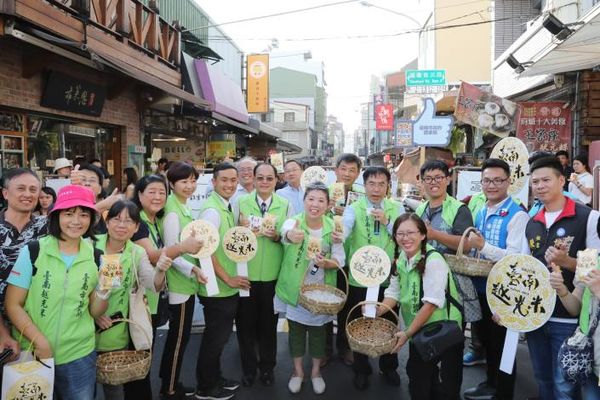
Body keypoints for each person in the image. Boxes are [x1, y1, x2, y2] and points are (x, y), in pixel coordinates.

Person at [5, 185, 110, 400]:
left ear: (91, 219)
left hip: (79, 355)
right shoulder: (34, 250)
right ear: (56, 216)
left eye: (83, 214)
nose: (76, 221)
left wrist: (104, 290)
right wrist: (40, 342)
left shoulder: (96, 256)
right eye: (68, 213)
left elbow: (95, 311)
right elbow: (13, 304)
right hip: (32, 352)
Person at [523, 156, 600, 399]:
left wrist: (568, 262)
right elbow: (524, 269)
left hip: (570, 318)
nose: (540, 186)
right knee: (543, 378)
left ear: (562, 180)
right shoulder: (532, 222)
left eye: (546, 179)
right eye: (535, 181)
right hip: (536, 316)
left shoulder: (587, 217)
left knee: (565, 385)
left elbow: (595, 269)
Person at [128, 175, 203, 399]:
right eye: (151, 192)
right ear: (139, 194)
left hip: (152, 296)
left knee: (146, 353)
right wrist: (182, 247)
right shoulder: (137, 220)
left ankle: (164, 386)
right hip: (136, 300)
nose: (158, 197)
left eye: (161, 192)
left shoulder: (153, 220)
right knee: (139, 358)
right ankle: (165, 389)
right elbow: (151, 256)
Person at [462, 159, 530, 400]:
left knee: (502, 345)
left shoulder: (517, 214)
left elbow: (516, 257)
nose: (492, 185)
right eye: (487, 180)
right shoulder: (482, 210)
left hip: (504, 291)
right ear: (481, 182)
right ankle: (490, 383)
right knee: (488, 341)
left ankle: (502, 392)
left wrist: (484, 246)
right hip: (482, 286)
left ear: (508, 182)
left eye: (498, 180)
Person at [381, 213, 463, 400]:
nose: (405, 238)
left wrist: (407, 334)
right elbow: (393, 293)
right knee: (419, 375)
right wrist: (377, 310)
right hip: (419, 329)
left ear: (423, 235)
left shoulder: (434, 261)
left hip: (443, 329)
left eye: (411, 232)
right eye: (400, 234)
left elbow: (431, 305)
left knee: (446, 383)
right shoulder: (401, 257)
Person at [94, 200, 170, 399]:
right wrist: (94, 313)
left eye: (128, 221)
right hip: (83, 328)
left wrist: (160, 270)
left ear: (136, 227)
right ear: (107, 221)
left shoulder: (136, 252)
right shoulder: (90, 245)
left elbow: (153, 285)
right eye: (116, 219)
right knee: (82, 388)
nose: (121, 225)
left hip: (116, 330)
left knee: (114, 388)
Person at [275, 182, 345, 395]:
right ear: (303, 201)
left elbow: (340, 260)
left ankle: (315, 372)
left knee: (318, 334)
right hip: (295, 290)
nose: (315, 204)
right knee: (295, 333)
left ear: (327, 204)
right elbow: (284, 232)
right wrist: (289, 236)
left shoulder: (334, 228)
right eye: (311, 199)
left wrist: (328, 263)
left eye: (321, 200)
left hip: (321, 293)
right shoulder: (293, 222)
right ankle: (297, 372)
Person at [340, 166, 405, 390]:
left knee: (388, 322)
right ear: (364, 185)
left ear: (388, 186)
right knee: (359, 322)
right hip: (360, 276)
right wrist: (338, 235)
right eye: (371, 184)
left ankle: (389, 366)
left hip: (388, 278)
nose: (376, 189)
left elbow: (405, 236)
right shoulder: (353, 208)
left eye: (381, 184)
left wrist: (388, 222)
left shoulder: (397, 208)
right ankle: (361, 368)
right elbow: (346, 230)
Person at [236, 163, 292, 387]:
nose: (265, 182)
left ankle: (267, 368)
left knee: (269, 325)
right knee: (245, 325)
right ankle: (248, 369)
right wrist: (242, 231)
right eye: (260, 178)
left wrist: (277, 236)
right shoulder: (241, 203)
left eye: (270, 178)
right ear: (253, 179)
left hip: (272, 275)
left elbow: (290, 239)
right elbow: (231, 237)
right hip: (245, 274)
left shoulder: (284, 205)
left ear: (276, 180)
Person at [195, 163, 245, 400]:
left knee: (218, 338)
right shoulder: (212, 211)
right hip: (217, 290)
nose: (229, 184)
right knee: (214, 340)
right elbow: (205, 249)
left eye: (233, 180)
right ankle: (206, 387)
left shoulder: (225, 207)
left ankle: (215, 378)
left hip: (222, 289)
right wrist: (228, 278)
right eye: (224, 180)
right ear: (213, 182)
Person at [159, 161, 207, 400]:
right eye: (184, 181)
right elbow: (171, 252)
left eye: (192, 181)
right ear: (171, 183)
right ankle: (169, 388)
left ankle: (170, 381)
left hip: (185, 283)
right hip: (179, 285)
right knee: (178, 339)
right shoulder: (173, 212)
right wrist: (194, 270)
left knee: (180, 337)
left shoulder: (182, 206)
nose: (189, 186)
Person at [414, 160, 479, 334]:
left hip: (453, 282)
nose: (433, 182)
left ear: (448, 180)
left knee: (451, 333)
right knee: (426, 330)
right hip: (425, 278)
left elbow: (466, 245)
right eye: (428, 178)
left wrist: (434, 234)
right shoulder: (420, 210)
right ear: (422, 182)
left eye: (438, 177)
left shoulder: (459, 209)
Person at [0, 168, 48, 370]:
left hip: (37, 325)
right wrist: (2, 334)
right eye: (20, 188)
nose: (27, 194)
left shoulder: (48, 226)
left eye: (33, 189)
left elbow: (79, 219)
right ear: (5, 193)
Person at [329, 153, 364, 366]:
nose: (347, 173)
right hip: (330, 257)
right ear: (336, 170)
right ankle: (323, 349)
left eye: (352, 170)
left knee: (350, 303)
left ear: (358, 173)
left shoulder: (361, 195)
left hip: (353, 258)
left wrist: (350, 213)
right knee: (327, 302)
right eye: (343, 168)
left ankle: (346, 346)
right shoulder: (326, 193)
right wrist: (330, 209)